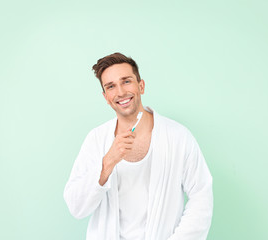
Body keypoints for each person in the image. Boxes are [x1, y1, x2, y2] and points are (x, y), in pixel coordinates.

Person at [64, 52, 213, 240]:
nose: (120, 92)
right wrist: (108, 163)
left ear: (141, 86)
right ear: (105, 97)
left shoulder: (178, 137)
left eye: (126, 81)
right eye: (111, 86)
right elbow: (76, 207)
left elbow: (202, 196)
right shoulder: (96, 140)